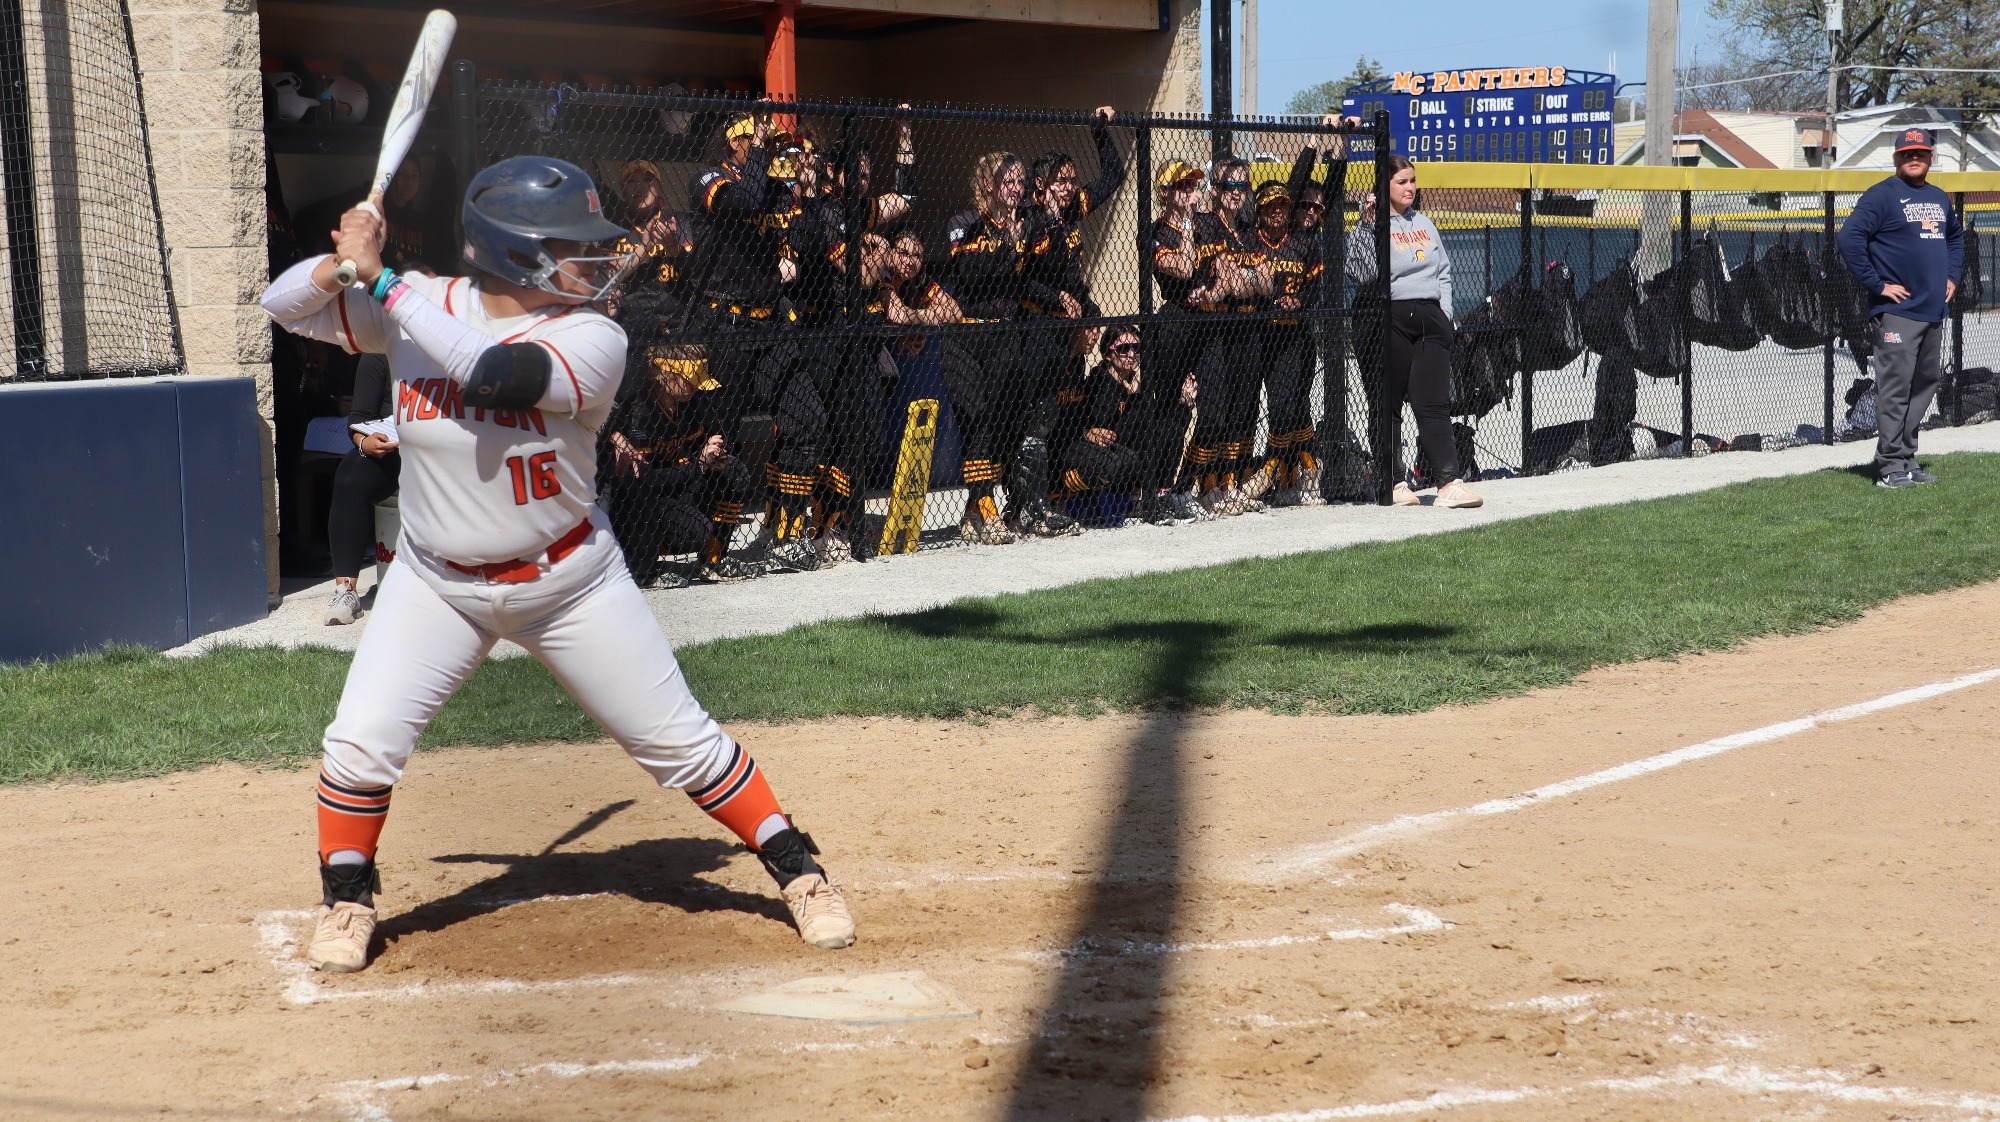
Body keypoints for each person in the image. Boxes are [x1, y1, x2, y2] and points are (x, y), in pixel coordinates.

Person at [260, 155, 856, 974]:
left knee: (678, 745)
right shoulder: (424, 305)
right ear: (515, 253)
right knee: (359, 744)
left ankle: (800, 868)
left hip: (569, 583)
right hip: (438, 584)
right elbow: (284, 307)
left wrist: (385, 280)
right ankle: (347, 899)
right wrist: (342, 265)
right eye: (570, 245)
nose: (593, 260)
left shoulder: (593, 337)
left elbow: (494, 373)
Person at [685, 114, 823, 572]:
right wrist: (765, 157)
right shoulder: (711, 178)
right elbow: (741, 203)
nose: (758, 143)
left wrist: (806, 187)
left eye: (758, 138)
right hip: (726, 325)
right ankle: (714, 550)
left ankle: (783, 533)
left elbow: (805, 237)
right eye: (750, 137)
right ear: (732, 143)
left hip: (771, 325)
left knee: (807, 417)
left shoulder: (773, 181)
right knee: (723, 439)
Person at [942, 151, 1071, 544]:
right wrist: (1006, 246)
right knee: (975, 416)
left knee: (997, 423)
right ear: (989, 185)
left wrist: (1050, 217)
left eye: (1019, 182)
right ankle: (987, 508)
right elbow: (970, 272)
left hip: (1005, 335)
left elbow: (1052, 261)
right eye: (1008, 181)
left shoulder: (1028, 223)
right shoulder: (964, 223)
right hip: (966, 336)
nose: (1015, 189)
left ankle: (974, 509)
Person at [1345, 156, 1481, 509]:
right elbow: (1360, 272)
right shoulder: (1373, 226)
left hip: (1430, 319)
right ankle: (1393, 482)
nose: (1410, 188)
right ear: (1384, 186)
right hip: (1389, 318)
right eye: (1402, 182)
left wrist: (1446, 315)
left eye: (1412, 180)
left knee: (1432, 402)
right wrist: (1365, 225)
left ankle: (1449, 482)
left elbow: (1444, 272)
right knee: (1386, 403)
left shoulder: (1424, 223)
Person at [1837, 127, 1965, 489]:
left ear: (1930, 157)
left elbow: (1955, 238)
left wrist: (1952, 276)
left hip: (1932, 310)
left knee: (1925, 384)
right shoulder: (1881, 196)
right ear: (1896, 158)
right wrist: (1877, 285)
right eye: (1907, 153)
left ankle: (1907, 459)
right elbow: (1849, 238)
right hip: (1896, 312)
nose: (1914, 158)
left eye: (1921, 153)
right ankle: (1890, 467)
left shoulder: (1940, 199)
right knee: (1895, 388)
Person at [599, 345, 758, 587]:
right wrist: (698, 466)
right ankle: (643, 569)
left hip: (678, 484)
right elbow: (646, 479)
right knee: (694, 527)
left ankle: (713, 559)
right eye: (689, 380)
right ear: (665, 376)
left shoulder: (689, 403)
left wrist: (712, 455)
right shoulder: (641, 411)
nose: (694, 387)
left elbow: (694, 451)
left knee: (735, 472)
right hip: (645, 500)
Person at [1183, 157, 1269, 516]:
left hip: (1246, 328)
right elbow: (1222, 283)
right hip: (1214, 327)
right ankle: (1199, 484)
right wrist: (1242, 280)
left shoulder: (1249, 230)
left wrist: (1243, 280)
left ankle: (1227, 483)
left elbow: (1264, 284)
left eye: (1242, 186)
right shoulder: (1205, 225)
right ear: (1215, 191)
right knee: (1213, 411)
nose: (1237, 193)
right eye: (1229, 186)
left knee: (1241, 411)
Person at [1144, 159, 1219, 526]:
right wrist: (1189, 223)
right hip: (1174, 323)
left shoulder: (1206, 225)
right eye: (1181, 186)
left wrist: (1211, 289)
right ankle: (1159, 492)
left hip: (1204, 320)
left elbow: (1220, 267)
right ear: (1166, 193)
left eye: (1191, 185)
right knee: (1173, 409)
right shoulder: (1159, 231)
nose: (1188, 192)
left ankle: (1183, 486)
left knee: (1210, 403)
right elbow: (1184, 268)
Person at [1059, 325, 1194, 524]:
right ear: (1108, 354)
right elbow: (1105, 421)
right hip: (1100, 446)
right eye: (1124, 349)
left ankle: (1162, 495)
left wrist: (1184, 404)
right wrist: (1128, 393)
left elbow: (1149, 422)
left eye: (1136, 348)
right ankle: (1138, 498)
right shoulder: (1099, 378)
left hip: (1128, 443)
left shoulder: (1136, 380)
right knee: (1129, 456)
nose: (1131, 354)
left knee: (1172, 424)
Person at [1242, 182, 1324, 507]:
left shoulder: (1303, 242)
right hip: (1255, 335)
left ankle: (1281, 471)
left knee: (1288, 406)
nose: (1277, 211)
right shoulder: (1248, 239)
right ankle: (1243, 475)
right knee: (1249, 407)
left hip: (1293, 337)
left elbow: (1315, 288)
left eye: (1283, 205)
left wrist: (1299, 300)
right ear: (1259, 210)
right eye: (1270, 206)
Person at [324, 352, 399, 624]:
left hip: (442, 451)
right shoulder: (379, 353)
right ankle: (346, 590)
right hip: (392, 447)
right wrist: (363, 441)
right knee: (350, 476)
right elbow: (360, 418)